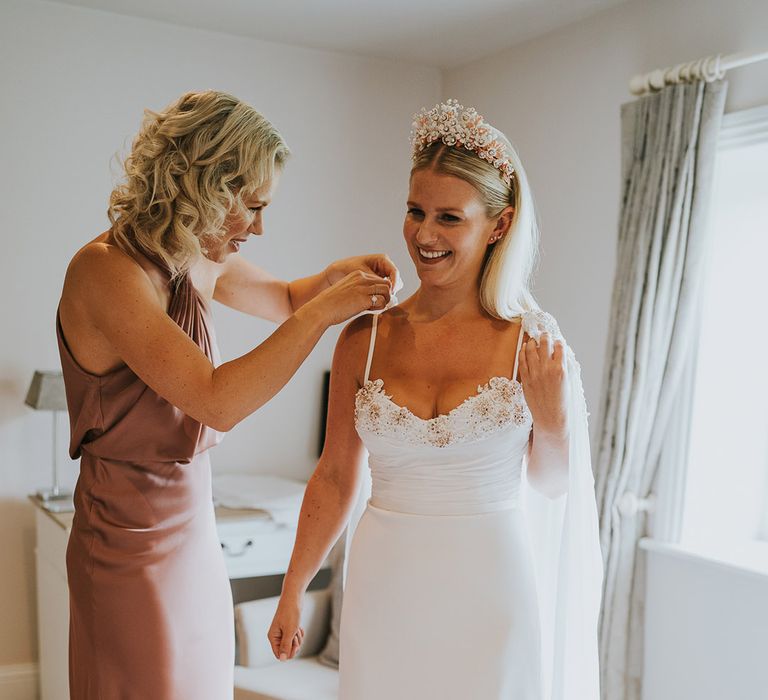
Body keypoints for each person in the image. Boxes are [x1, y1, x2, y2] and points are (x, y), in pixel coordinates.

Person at [56, 90, 399, 700]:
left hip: (194, 534)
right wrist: (324, 313)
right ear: (206, 184)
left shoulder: (194, 257)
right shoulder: (106, 273)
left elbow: (288, 298)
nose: (260, 227)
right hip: (124, 547)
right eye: (252, 206)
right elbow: (216, 399)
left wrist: (332, 279)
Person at [268, 99, 603, 699]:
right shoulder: (363, 339)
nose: (424, 235)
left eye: (450, 218)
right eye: (415, 211)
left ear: (498, 225)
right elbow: (336, 477)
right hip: (385, 585)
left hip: (491, 585)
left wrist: (552, 421)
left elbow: (553, 486)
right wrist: (294, 588)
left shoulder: (532, 340)